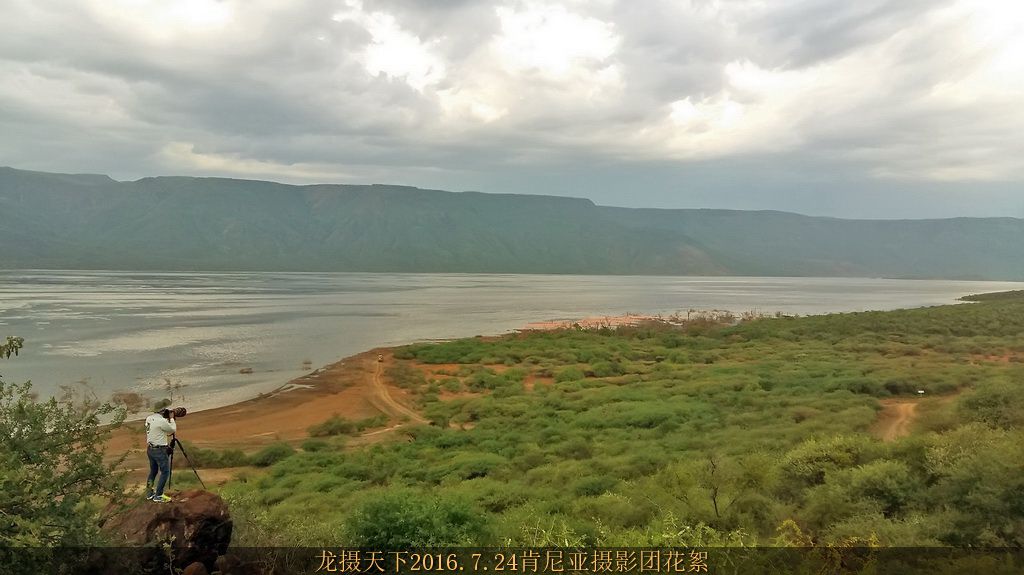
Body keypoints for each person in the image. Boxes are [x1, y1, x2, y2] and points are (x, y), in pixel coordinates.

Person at [144, 407, 177, 503]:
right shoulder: (161, 421)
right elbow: (172, 429)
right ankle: (158, 495)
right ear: (162, 411)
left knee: (153, 471)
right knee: (165, 472)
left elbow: (157, 430)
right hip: (160, 450)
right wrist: (171, 418)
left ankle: (149, 493)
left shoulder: (149, 418)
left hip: (150, 449)